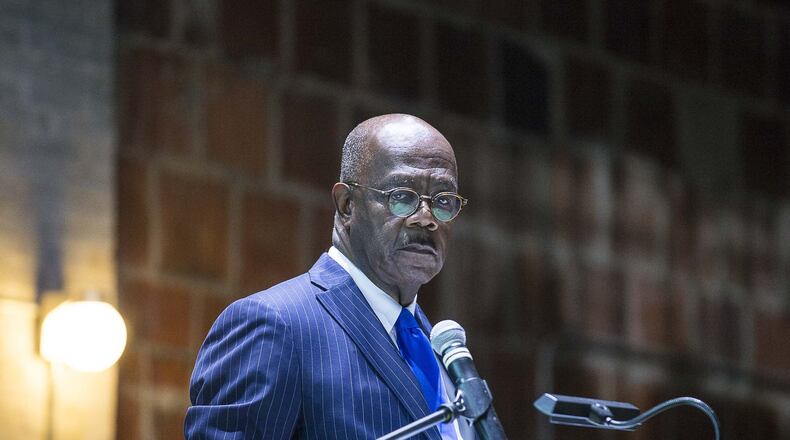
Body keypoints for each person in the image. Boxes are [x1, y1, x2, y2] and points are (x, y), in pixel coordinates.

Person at [185, 114, 474, 439]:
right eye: (402, 197)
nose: (427, 218)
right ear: (347, 204)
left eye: (444, 201)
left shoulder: (440, 347)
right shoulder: (275, 326)